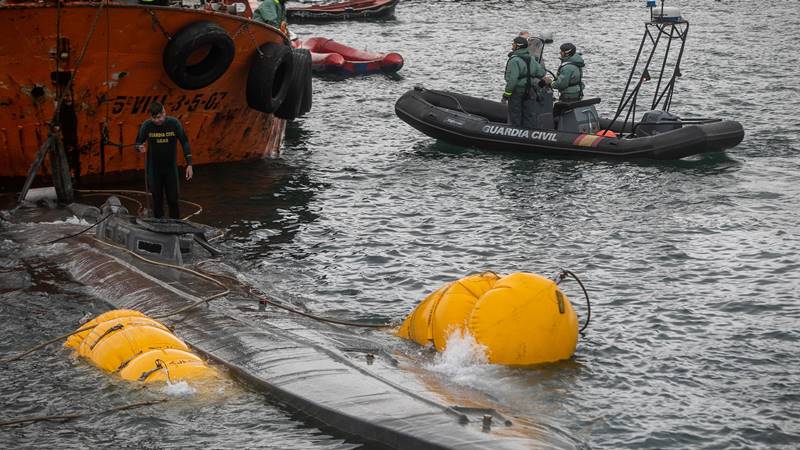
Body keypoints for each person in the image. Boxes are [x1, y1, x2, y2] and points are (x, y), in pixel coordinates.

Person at [135, 101, 193, 220]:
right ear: (151, 116)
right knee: (157, 200)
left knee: (173, 199)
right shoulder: (147, 126)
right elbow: (137, 143)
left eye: (159, 117)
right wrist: (139, 147)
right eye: (154, 118)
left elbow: (185, 142)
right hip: (154, 170)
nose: (157, 120)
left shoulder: (174, 123)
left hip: (170, 169)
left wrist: (189, 164)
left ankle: (175, 225)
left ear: (164, 112)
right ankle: (159, 227)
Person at [503, 36, 546, 129]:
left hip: (517, 91)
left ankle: (516, 134)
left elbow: (512, 79)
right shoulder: (531, 59)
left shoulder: (514, 60)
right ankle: (529, 135)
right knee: (529, 114)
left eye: (513, 44)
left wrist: (506, 94)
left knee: (515, 115)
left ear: (518, 46)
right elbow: (541, 72)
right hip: (530, 90)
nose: (512, 45)